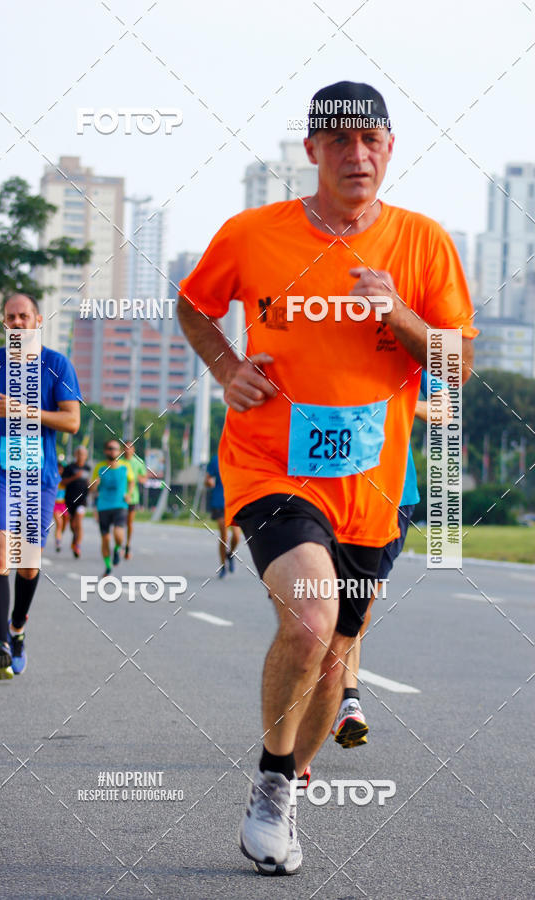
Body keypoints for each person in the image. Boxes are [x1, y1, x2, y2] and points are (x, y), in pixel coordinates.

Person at [178, 80, 477, 875]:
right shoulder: (251, 234)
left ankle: (282, 780)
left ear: (389, 147)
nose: (357, 154)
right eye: (339, 141)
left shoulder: (422, 244)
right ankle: (274, 793)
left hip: (374, 483)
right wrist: (227, 367)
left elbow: (458, 363)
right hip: (270, 461)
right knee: (310, 622)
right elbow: (194, 306)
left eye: (371, 139)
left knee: (339, 648)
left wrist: (400, 318)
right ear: (311, 150)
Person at [0, 293, 80, 678]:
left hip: (37, 476)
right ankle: (0, 644)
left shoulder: (56, 364)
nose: (16, 323)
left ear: (37, 320)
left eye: (23, 316)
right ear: (4, 322)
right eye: (10, 317)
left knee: (27, 564)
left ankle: (17, 630)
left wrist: (23, 410)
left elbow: (72, 421)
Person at [333, 371, 451, 749]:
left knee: (358, 605)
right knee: (317, 606)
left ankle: (344, 701)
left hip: (393, 494)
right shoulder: (325, 338)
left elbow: (443, 410)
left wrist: (398, 405)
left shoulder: (412, 351)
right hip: (326, 488)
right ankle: (339, 704)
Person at [90, 439, 133, 576]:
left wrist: (129, 494)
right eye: (109, 448)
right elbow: (92, 489)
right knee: (105, 538)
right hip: (103, 506)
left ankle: (118, 548)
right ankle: (108, 566)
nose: (112, 451)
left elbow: (132, 481)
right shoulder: (100, 467)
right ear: (105, 451)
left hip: (120, 504)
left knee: (118, 533)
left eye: (114, 448)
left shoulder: (125, 466)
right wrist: (95, 484)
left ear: (119, 451)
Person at [205, 453, 241, 578]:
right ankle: (222, 566)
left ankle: (230, 554)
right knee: (224, 536)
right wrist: (209, 482)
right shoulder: (216, 460)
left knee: (237, 536)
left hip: (235, 502)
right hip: (219, 502)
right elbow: (207, 479)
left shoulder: (239, 458)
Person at [61, 445, 91, 558]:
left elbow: (89, 482)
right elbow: (63, 482)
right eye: (79, 454)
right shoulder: (69, 468)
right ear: (75, 455)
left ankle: (78, 545)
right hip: (70, 499)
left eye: (83, 454)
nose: (81, 456)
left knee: (79, 520)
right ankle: (75, 540)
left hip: (82, 500)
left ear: (86, 456)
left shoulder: (88, 468)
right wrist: (75, 477)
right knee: (73, 525)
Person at [123, 441, 147, 560]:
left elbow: (144, 479)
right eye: (125, 448)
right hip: (120, 497)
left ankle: (127, 544)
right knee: (119, 522)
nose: (127, 450)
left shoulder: (138, 462)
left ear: (133, 450)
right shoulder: (119, 462)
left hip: (133, 497)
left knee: (129, 522)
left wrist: (134, 477)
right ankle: (119, 544)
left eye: (130, 448)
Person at [52, 464, 68, 553]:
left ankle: (59, 536)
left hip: (64, 505)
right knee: (59, 523)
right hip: (55, 505)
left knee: (64, 524)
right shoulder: (53, 479)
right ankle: (58, 542)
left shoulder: (65, 480)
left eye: (61, 469)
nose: (59, 471)